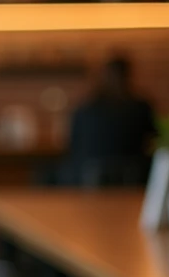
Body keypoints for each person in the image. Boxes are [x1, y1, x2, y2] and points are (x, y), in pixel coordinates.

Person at [61, 56, 155, 186]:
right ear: (128, 76)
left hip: (89, 177)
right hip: (133, 178)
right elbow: (153, 140)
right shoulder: (140, 106)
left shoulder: (86, 106)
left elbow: (72, 142)